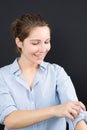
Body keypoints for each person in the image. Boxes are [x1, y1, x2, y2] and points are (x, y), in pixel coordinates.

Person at [0, 13, 87, 130]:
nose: (43, 49)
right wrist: (55, 110)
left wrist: (79, 123)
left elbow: (76, 115)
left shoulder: (57, 73)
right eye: (35, 43)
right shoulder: (3, 76)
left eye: (46, 42)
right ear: (19, 42)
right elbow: (10, 119)